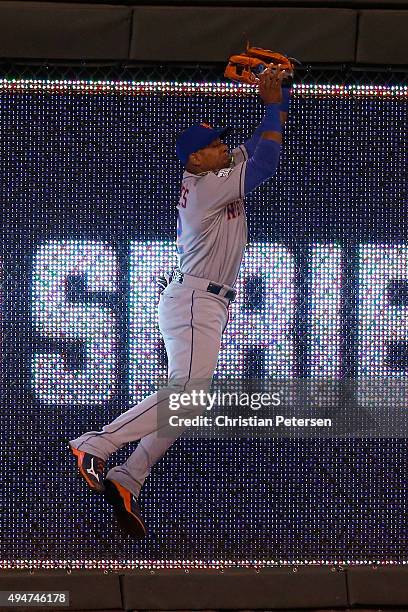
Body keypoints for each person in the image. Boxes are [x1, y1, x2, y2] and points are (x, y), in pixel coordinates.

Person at [68, 65, 291, 539]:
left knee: (189, 402)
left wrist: (279, 95)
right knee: (188, 393)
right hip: (194, 299)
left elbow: (256, 146)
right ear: (195, 157)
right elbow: (266, 159)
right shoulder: (208, 186)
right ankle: (96, 444)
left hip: (203, 301)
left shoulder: (214, 172)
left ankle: (129, 476)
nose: (223, 148)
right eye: (214, 145)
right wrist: (272, 101)